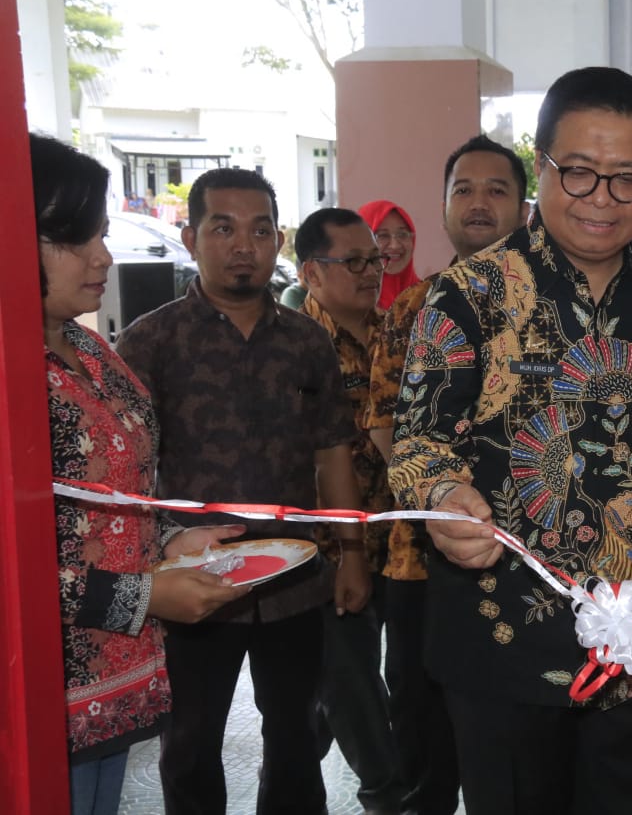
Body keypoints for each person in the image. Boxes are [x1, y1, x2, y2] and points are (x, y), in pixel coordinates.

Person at [386, 66, 632, 815]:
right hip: (500, 645)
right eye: (578, 173)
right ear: (541, 165)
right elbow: (418, 440)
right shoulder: (470, 292)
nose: (602, 199)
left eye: (627, 179)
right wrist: (443, 496)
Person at [115, 167, 372, 815]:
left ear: (277, 241)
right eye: (222, 228)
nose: (242, 246)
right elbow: (128, 471)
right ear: (191, 237)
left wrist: (351, 553)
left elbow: (332, 451)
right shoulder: (151, 341)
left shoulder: (307, 341)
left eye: (259, 231)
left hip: (295, 578)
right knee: (190, 741)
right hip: (192, 582)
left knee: (297, 736)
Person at [31, 134, 248, 814]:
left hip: (115, 680)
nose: (102, 256)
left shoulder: (89, 349)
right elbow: (19, 564)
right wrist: (145, 594)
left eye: (100, 234)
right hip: (44, 690)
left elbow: (109, 499)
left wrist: (169, 543)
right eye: (76, 239)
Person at [365, 134, 529, 814]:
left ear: (525, 207)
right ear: (444, 206)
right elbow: (385, 424)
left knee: (512, 750)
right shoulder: (414, 307)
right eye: (464, 189)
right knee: (423, 731)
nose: (479, 203)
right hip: (419, 563)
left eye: (497, 189)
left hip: (525, 570)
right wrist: (442, 496)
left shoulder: (553, 310)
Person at [293, 207, 404, 814]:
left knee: (325, 699)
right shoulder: (293, 346)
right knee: (354, 682)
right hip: (328, 553)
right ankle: (387, 796)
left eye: (375, 260)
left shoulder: (399, 334)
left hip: (401, 546)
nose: (370, 272)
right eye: (353, 261)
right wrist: (343, 553)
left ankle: (287, 781)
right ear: (311, 273)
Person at [362, 199, 421, 310]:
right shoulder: (349, 306)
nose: (395, 246)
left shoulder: (429, 298)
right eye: (383, 235)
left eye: (402, 234)